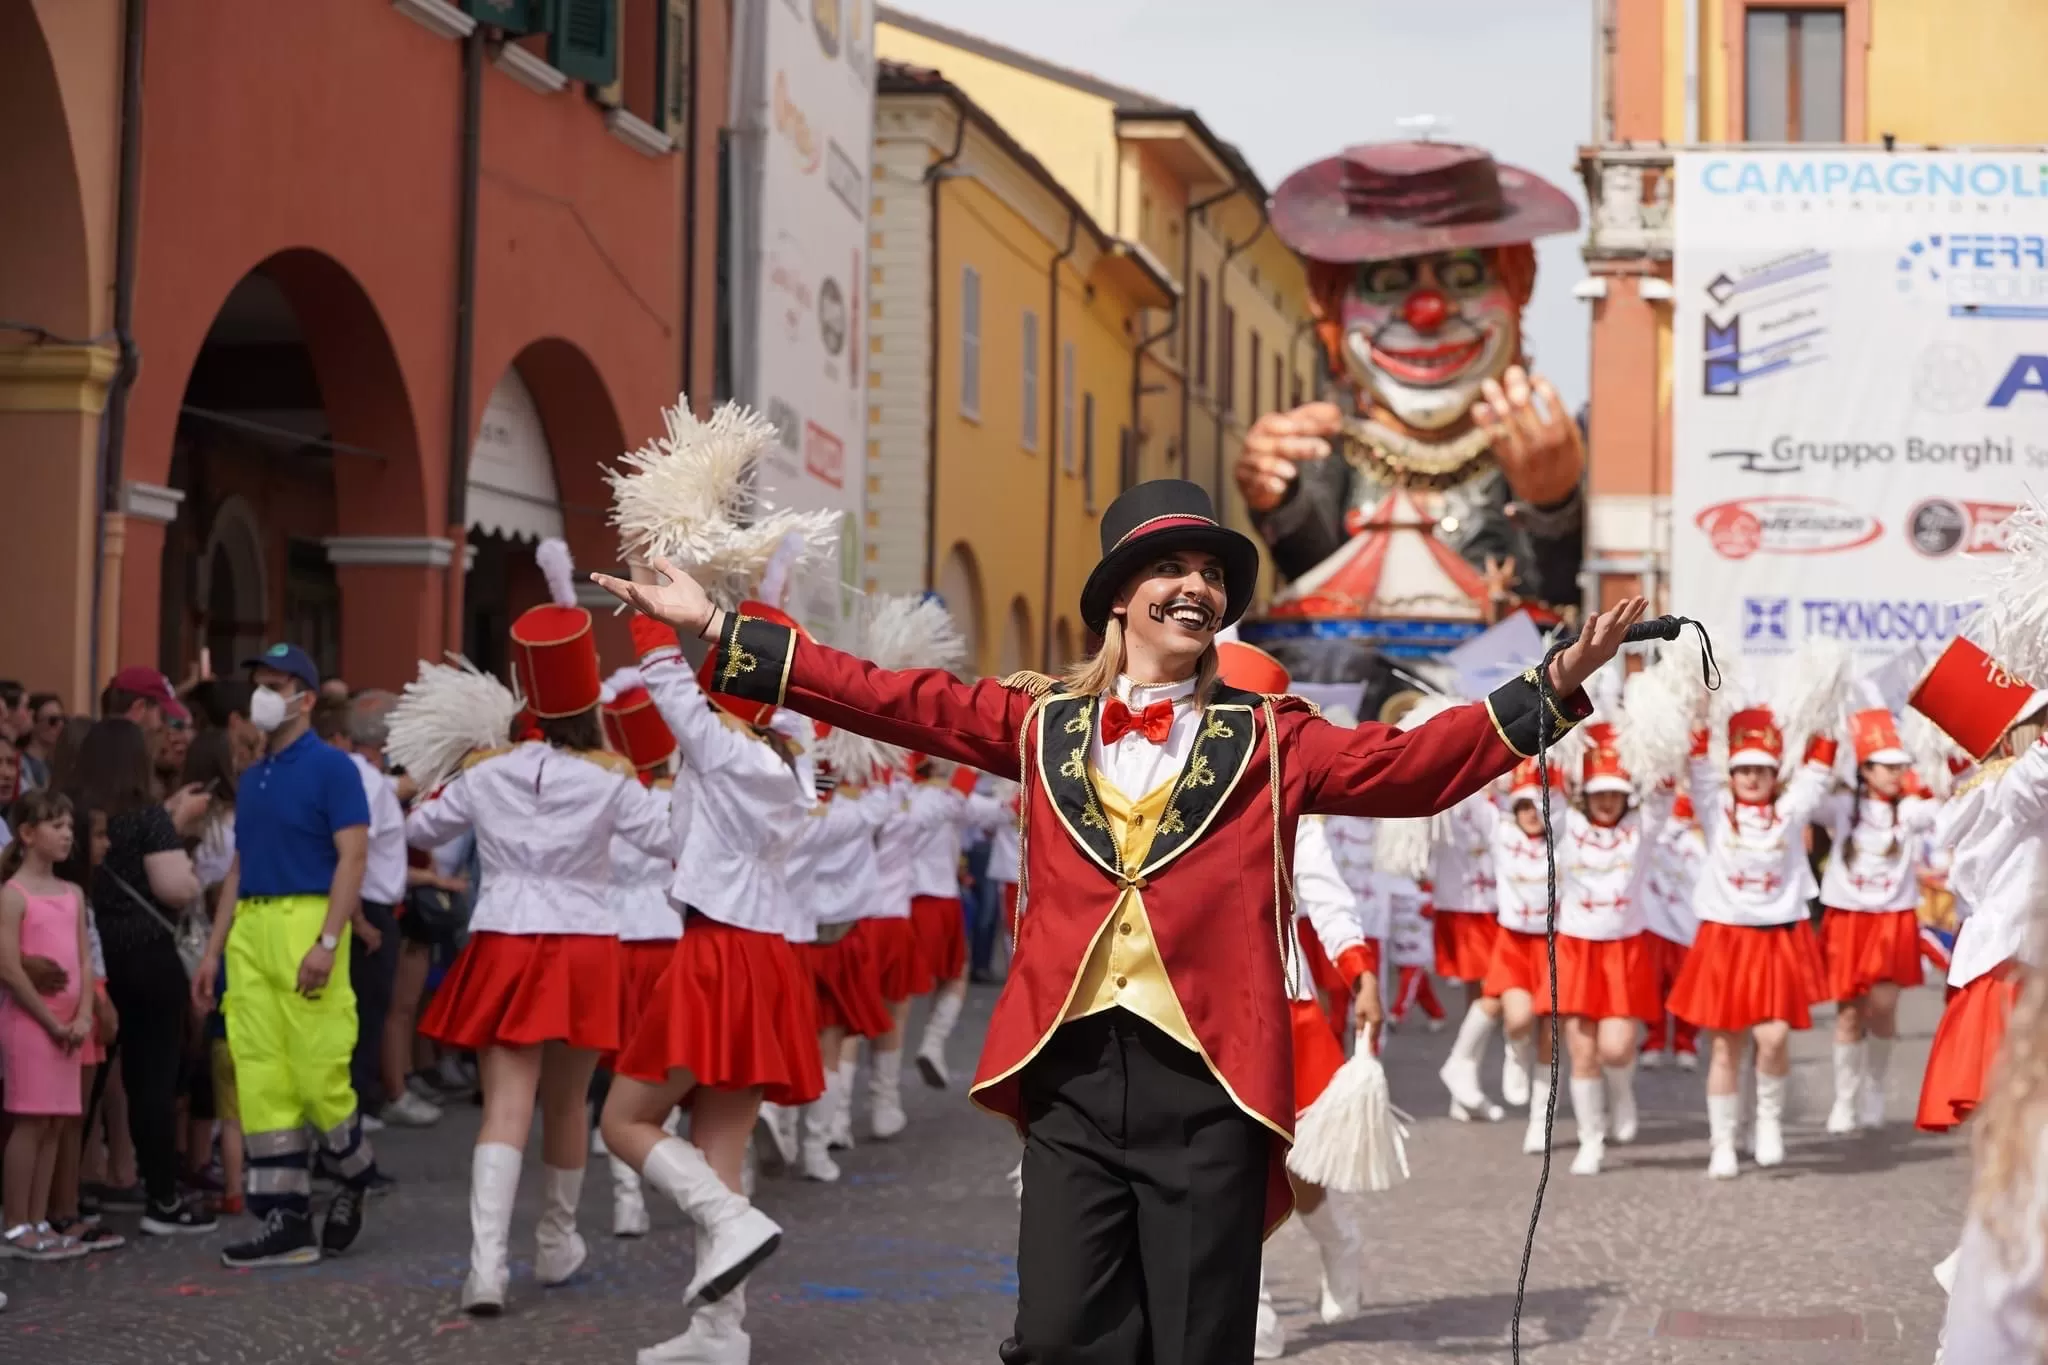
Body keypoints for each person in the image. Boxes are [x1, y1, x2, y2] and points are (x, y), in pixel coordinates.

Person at [594, 477, 1638, 1363]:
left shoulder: (1273, 736)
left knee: (1192, 1341)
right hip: (1073, 1078)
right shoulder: (1040, 720)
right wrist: (720, 629)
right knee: (1053, 1337)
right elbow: (886, 698)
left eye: (1211, 572)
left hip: (1211, 1079)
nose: (1197, 585)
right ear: (1121, 599)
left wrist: (1551, 685)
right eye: (1171, 567)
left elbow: (1410, 769)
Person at [404, 561, 674, 1315]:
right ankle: (554, 1244)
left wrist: (458, 763)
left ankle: (485, 1267)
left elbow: (422, 827)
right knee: (566, 1104)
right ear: (589, 700)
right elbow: (666, 840)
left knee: (505, 1108)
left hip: (506, 940)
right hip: (586, 945)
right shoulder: (614, 776)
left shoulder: (488, 770)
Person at [596, 596, 825, 1364]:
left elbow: (664, 678)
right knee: (717, 1147)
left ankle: (731, 1226)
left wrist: (647, 603)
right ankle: (721, 1333)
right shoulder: (784, 764)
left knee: (623, 1121)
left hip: (717, 953)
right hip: (768, 957)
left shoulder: (725, 750)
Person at [191, 642, 382, 1267]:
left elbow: (353, 856)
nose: (262, 695)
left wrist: (328, 940)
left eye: (274, 683)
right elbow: (241, 869)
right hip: (252, 928)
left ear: (302, 694)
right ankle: (286, 1221)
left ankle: (354, 1172)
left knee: (319, 1071)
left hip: (307, 919)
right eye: (258, 683)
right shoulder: (254, 778)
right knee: (262, 1079)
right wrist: (212, 954)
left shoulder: (333, 769)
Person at [1667, 707, 1836, 1179]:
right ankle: (1723, 1140)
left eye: (1762, 769)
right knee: (1725, 1046)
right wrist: (1695, 707)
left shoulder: (1789, 810)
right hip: (1725, 938)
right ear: (1733, 773)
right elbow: (1698, 765)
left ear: (1774, 773)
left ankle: (1767, 1122)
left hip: (1777, 937)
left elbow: (1819, 769)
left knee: (1773, 1035)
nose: (1752, 778)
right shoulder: (1716, 809)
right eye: (1744, 769)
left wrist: (1826, 700)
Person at [69, 718, 215, 1235]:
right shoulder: (147, 815)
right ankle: (163, 1200)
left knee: (83, 1082)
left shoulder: (72, 812)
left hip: (83, 952)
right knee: (150, 1079)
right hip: (145, 955)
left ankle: (69, 1196)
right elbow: (175, 888)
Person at [1549, 729, 1671, 1176]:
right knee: (1582, 1051)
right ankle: (1590, 1139)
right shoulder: (1568, 825)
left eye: (1615, 794)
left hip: (1624, 949)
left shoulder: (1640, 831)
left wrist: (1660, 736)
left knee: (1617, 1048)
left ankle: (1622, 1092)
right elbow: (1552, 779)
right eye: (1599, 794)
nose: (1606, 802)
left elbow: (1662, 795)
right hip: (1576, 947)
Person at [1814, 709, 1939, 1135]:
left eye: (1900, 766)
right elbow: (1806, 802)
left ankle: (1875, 1088)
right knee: (1849, 1013)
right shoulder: (1841, 806)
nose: (1895, 774)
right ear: (1865, 769)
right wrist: (1820, 740)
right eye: (1886, 766)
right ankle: (1845, 1099)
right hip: (1849, 920)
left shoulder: (1911, 811)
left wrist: (1949, 759)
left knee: (1883, 1009)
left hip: (1892, 921)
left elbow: (1951, 805)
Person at [597, 667, 683, 1233]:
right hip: (673, 943)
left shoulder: (606, 791)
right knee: (669, 1065)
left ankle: (627, 1195)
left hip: (617, 944)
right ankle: (678, 1171)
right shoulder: (681, 799)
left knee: (619, 1070)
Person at [0, 789, 94, 1260]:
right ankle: (16, 1222)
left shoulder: (72, 894)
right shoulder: (13, 897)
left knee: (57, 1121)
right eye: (56, 825)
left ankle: (39, 1218)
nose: (66, 834)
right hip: (32, 1023)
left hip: (68, 1027)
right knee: (31, 1119)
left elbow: (83, 958)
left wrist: (83, 1015)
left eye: (70, 826)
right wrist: (49, 1020)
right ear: (28, 834)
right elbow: (11, 968)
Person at [324, 692, 407, 1132]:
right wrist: (358, 920)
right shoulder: (367, 782)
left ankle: (357, 1100)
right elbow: (351, 854)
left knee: (365, 1008)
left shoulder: (363, 777)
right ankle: (355, 1103)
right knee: (363, 1011)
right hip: (368, 908)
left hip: (367, 905)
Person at [1487, 759, 1572, 1158]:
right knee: (1519, 1019)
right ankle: (1513, 1052)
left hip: (1556, 945)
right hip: (1515, 943)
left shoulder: (1565, 838)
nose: (1531, 814)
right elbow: (1482, 796)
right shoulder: (1501, 834)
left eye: (1539, 806)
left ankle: (1541, 1117)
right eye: (1523, 806)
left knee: (1551, 1036)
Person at [20, 694, 62, 793]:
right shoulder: (21, 764)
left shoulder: (55, 764)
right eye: (53, 720)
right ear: (33, 722)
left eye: (63, 719)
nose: (60, 725)